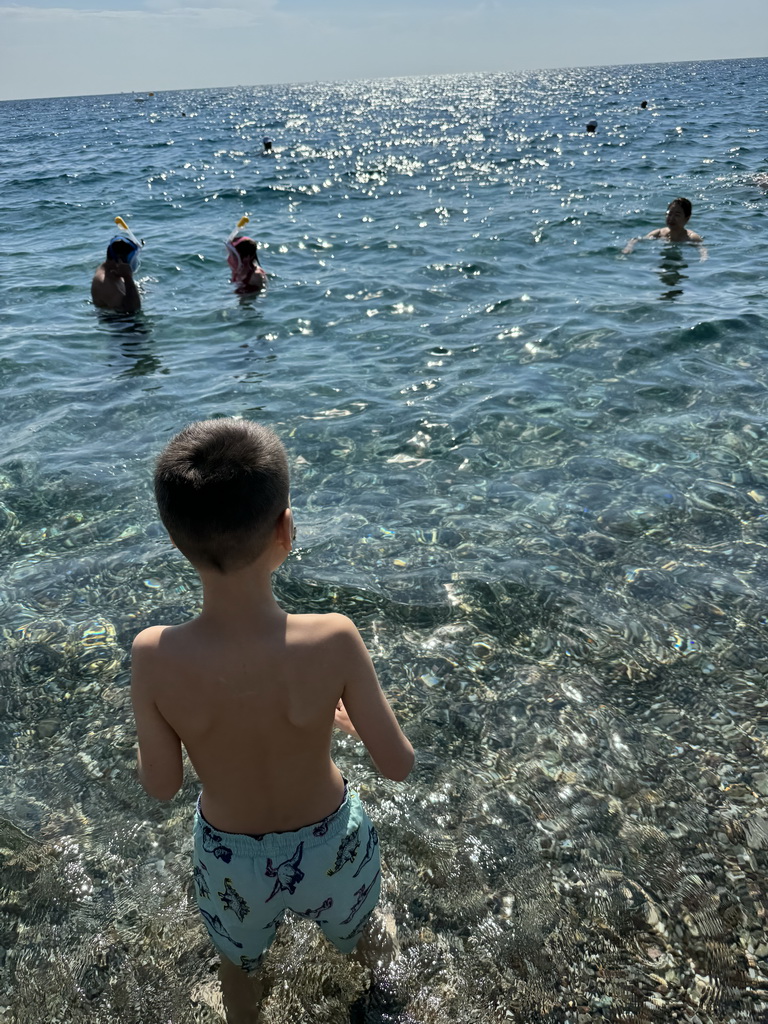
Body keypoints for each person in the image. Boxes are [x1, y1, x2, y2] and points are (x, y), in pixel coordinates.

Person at [131, 418, 414, 1023]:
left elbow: (161, 786)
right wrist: (348, 725)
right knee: (371, 941)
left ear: (176, 540)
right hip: (331, 844)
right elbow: (398, 765)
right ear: (286, 529)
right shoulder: (334, 637)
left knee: (238, 971)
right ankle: (391, 1010)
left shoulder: (153, 655)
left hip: (231, 862)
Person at [623, 197, 705, 255]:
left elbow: (703, 250)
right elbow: (636, 240)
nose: (671, 218)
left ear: (687, 218)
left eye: (677, 215)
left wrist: (703, 258)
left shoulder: (692, 238)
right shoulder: (659, 233)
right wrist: (629, 247)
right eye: (669, 214)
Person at [91, 237, 141, 313]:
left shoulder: (112, 270)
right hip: (118, 321)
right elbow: (133, 309)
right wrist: (128, 277)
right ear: (120, 260)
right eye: (132, 260)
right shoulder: (104, 282)